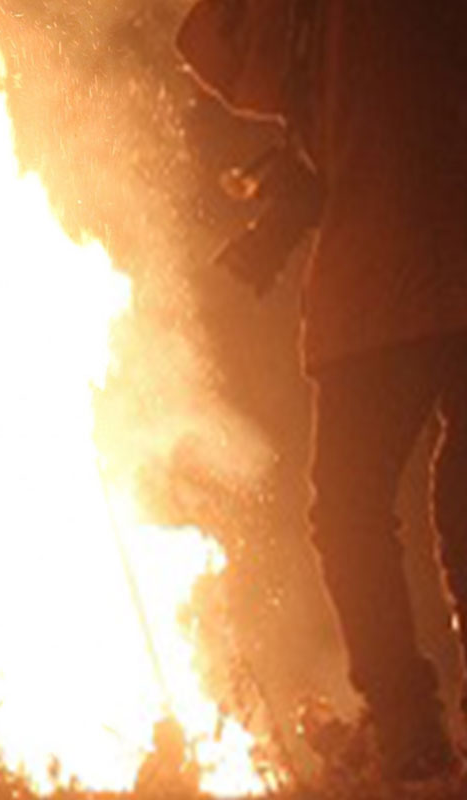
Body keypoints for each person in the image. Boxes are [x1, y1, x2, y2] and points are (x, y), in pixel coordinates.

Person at [183, 0, 467, 781]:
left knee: (350, 512)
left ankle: (409, 730)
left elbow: (221, 48)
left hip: (382, 279)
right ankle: (411, 729)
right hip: (410, 262)